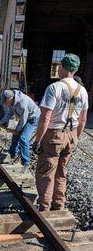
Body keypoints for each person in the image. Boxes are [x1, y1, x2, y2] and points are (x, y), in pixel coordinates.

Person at [33, 53, 89, 211]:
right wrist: (75, 138)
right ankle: (58, 204)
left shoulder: (54, 88)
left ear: (62, 68)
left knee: (46, 172)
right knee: (61, 172)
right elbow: (83, 120)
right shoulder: (83, 91)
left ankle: (44, 207)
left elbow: (45, 118)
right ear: (75, 70)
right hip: (71, 134)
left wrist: (37, 140)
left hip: (54, 134)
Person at [0, 89, 40, 167]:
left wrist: (17, 130)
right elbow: (9, 113)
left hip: (33, 119)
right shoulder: (11, 103)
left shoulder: (22, 103)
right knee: (15, 136)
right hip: (25, 118)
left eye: (5, 102)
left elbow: (23, 120)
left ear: (10, 99)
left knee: (23, 138)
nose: (5, 104)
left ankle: (26, 162)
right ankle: (12, 155)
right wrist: (1, 121)